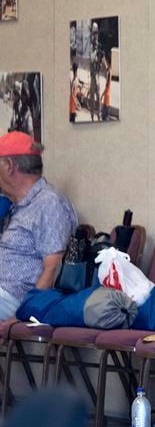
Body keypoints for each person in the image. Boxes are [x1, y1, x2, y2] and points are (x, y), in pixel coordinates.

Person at [0, 132, 78, 320]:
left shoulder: (49, 203)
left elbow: (53, 270)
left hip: (16, 299)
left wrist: (19, 318)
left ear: (9, 166)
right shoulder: (13, 205)